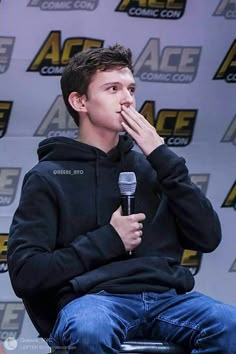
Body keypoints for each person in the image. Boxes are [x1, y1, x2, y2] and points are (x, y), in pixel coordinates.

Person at [7, 44, 236, 354]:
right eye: (112, 88)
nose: (127, 99)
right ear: (80, 101)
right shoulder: (49, 176)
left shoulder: (155, 166)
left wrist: (162, 156)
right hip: (93, 301)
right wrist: (109, 239)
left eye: (131, 88)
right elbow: (26, 274)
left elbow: (208, 237)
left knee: (228, 323)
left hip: (166, 299)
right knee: (90, 328)